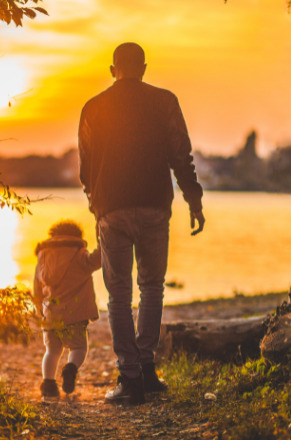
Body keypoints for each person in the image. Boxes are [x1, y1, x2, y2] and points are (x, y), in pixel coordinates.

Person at [78, 42, 205, 405]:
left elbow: (86, 166)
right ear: (144, 68)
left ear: (112, 69)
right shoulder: (165, 101)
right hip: (153, 205)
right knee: (152, 287)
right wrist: (193, 199)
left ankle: (130, 378)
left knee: (118, 295)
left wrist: (95, 204)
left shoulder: (93, 107)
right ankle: (147, 369)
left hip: (112, 209)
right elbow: (181, 154)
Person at [33, 220, 103, 401]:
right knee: (78, 347)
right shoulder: (79, 254)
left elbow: (36, 288)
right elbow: (99, 259)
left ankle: (48, 384)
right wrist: (102, 236)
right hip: (75, 315)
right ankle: (70, 368)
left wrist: (40, 312)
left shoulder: (43, 256)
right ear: (77, 237)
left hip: (50, 315)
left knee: (52, 351)